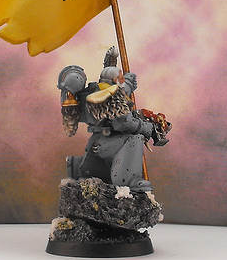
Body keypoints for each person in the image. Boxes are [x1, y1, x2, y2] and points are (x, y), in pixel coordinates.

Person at [57, 47, 154, 192]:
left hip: (96, 141)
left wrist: (110, 65)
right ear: (115, 80)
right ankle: (129, 182)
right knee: (135, 139)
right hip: (112, 143)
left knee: (96, 173)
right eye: (120, 78)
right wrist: (147, 128)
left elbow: (112, 90)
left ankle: (83, 170)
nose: (122, 80)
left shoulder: (90, 94)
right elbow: (123, 123)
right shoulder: (112, 97)